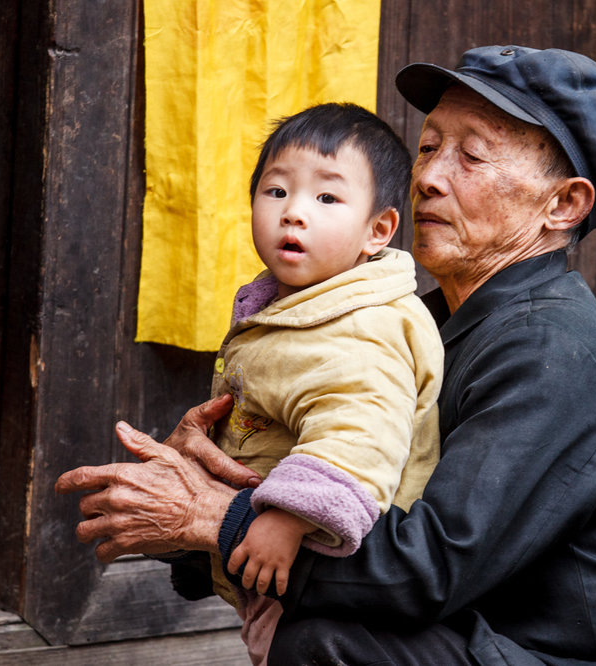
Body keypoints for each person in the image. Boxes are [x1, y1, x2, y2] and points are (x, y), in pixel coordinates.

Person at [57, 45, 596, 665]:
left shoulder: (554, 351)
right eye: (427, 149)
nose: (427, 179)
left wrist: (214, 519)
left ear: (563, 205)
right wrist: (202, 490)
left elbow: (424, 568)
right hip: (503, 641)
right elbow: (339, 491)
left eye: (470, 157)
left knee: (330, 643)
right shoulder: (411, 323)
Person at [156, 102, 445, 663]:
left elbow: (359, 430)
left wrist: (290, 519)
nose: (294, 214)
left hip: (327, 561)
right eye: (277, 192)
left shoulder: (363, 324)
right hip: (274, 556)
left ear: (378, 230)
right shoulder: (301, 305)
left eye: (327, 198)